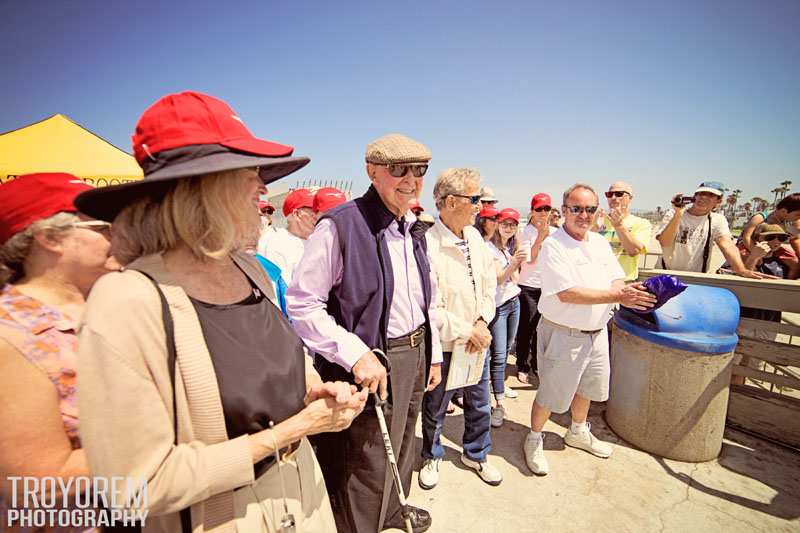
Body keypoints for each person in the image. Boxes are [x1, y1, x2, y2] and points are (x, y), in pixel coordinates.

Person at [75, 91, 366, 532]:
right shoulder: (125, 300)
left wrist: (312, 390)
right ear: (202, 188)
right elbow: (132, 486)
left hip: (304, 495)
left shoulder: (251, 270)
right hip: (221, 516)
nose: (264, 189)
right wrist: (288, 432)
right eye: (250, 173)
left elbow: (280, 356)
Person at [287, 133, 443, 533]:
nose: (410, 179)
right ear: (372, 171)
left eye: (419, 170)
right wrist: (355, 353)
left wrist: (434, 353)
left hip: (415, 352)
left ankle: (393, 512)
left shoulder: (412, 226)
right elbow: (303, 304)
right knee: (366, 457)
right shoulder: (340, 226)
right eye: (398, 170)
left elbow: (426, 298)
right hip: (368, 359)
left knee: (405, 440)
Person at [0, 173, 119, 531]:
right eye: (102, 226)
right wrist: (178, 438)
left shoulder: (110, 304)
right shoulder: (12, 335)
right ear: (49, 238)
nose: (117, 233)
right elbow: (36, 483)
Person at [523, 184, 656, 476]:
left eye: (589, 209)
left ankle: (578, 431)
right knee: (551, 393)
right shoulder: (554, 245)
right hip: (563, 333)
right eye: (576, 208)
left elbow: (616, 279)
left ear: (597, 212)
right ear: (564, 210)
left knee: (588, 388)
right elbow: (567, 293)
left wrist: (626, 291)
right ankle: (534, 436)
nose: (583, 215)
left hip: (595, 332)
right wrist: (620, 297)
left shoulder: (598, 242)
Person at [419, 168, 502, 490]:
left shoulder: (475, 239)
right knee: (436, 406)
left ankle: (477, 454)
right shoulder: (427, 245)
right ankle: (432, 455)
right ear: (451, 202)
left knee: (480, 403)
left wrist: (482, 321)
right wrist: (467, 330)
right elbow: (429, 306)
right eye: (474, 198)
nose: (480, 205)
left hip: (476, 339)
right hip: (447, 344)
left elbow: (488, 286)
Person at [655, 181, 762, 278]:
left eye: (711, 195)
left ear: (718, 201)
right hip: (665, 274)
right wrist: (678, 213)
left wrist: (741, 270)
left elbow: (727, 245)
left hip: (696, 278)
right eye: (701, 194)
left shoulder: (717, 220)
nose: (704, 198)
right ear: (694, 197)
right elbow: (665, 242)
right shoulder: (673, 214)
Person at [486, 208, 527, 427]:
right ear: (496, 224)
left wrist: (515, 260)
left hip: (514, 301)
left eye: (513, 224)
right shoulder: (489, 249)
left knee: (508, 347)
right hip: (500, 306)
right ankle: (498, 403)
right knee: (500, 355)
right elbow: (499, 279)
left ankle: (497, 387)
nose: (509, 227)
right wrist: (514, 262)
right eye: (505, 223)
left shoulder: (506, 249)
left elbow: (515, 279)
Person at [515, 193, 554, 384]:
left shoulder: (554, 231)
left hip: (546, 288)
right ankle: (522, 365)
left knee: (542, 330)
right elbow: (529, 260)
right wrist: (540, 237)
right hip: (528, 287)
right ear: (532, 211)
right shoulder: (525, 231)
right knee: (527, 329)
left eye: (547, 209)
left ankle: (537, 365)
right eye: (539, 209)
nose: (543, 213)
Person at [596, 181, 651, 281]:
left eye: (619, 194)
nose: (613, 198)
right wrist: (593, 227)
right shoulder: (598, 221)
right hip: (598, 282)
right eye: (609, 194)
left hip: (625, 284)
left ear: (630, 198)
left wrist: (619, 226)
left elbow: (634, 251)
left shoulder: (641, 223)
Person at [259, 187, 316, 283]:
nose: (318, 216)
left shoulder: (318, 241)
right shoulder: (278, 245)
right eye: (314, 212)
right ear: (297, 214)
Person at [739, 193, 800, 259]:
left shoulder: (793, 222)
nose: (799, 218)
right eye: (798, 215)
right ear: (784, 211)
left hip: (772, 249)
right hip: (749, 246)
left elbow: (795, 240)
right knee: (749, 261)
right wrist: (757, 255)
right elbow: (746, 238)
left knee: (794, 263)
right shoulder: (760, 218)